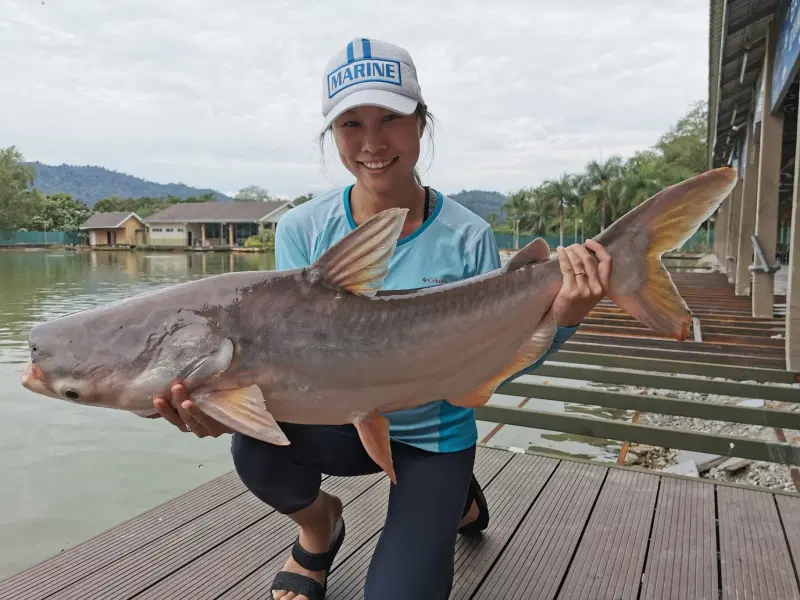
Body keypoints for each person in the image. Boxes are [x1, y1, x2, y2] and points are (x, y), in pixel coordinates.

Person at [151, 38, 611, 600]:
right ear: (332, 134)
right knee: (254, 449)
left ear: (422, 123)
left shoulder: (469, 236)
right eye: (351, 124)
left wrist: (564, 317)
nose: (372, 143)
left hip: (432, 433)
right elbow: (287, 365)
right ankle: (319, 532)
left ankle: (451, 491)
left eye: (390, 118)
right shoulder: (302, 230)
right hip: (336, 424)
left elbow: (484, 371)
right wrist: (223, 406)